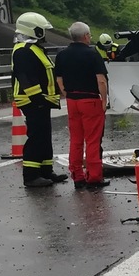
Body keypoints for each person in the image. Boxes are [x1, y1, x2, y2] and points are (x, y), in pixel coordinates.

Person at [12, 11, 68, 188]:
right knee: (36, 136)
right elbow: (26, 77)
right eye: (42, 30)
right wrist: (37, 98)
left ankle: (45, 171)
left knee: (44, 136)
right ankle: (31, 176)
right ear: (33, 30)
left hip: (42, 100)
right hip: (33, 101)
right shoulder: (23, 50)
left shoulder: (35, 48)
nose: (44, 33)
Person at [55, 22, 111, 190]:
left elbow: (59, 80)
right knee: (92, 140)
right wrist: (104, 100)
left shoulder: (61, 55)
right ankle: (94, 177)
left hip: (72, 101)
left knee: (76, 140)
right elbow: (101, 80)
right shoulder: (92, 54)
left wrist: (68, 94)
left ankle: (77, 176)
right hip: (90, 100)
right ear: (86, 36)